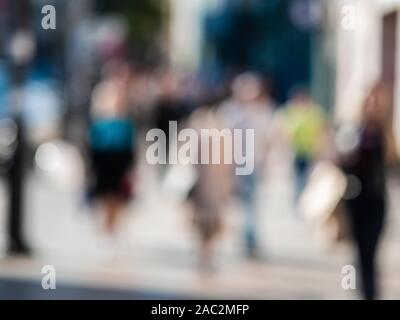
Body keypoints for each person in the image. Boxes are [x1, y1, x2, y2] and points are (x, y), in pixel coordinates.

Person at [339, 83, 394, 300]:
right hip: (354, 200)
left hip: (377, 200)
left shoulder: (385, 133)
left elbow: (393, 165)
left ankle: (371, 292)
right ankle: (358, 288)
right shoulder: (352, 131)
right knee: (358, 251)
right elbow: (341, 164)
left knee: (372, 250)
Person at [218, 72, 275, 258]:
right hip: (236, 163)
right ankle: (247, 238)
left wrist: (267, 161)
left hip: (254, 162)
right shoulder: (230, 111)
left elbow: (268, 138)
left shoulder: (263, 111)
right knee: (243, 203)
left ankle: (249, 239)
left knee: (251, 203)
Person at [87, 61, 136, 235]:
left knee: (118, 196)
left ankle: (112, 229)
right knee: (104, 195)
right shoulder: (102, 92)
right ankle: (106, 229)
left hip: (120, 153)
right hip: (103, 153)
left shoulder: (125, 95)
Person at [282, 86, 326, 202]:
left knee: (308, 178)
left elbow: (320, 131)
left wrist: (319, 149)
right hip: (296, 152)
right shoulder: (292, 112)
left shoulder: (314, 112)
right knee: (297, 178)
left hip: (310, 151)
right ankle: (299, 199)